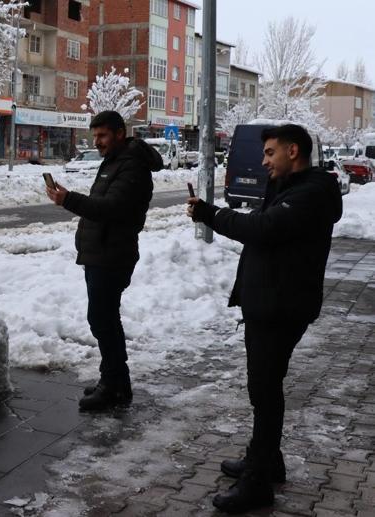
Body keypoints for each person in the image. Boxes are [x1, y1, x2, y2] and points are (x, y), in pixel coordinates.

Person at [186, 124, 341, 513]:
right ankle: (267, 461)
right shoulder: (289, 187)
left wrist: (210, 214)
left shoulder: (311, 193)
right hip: (269, 303)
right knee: (264, 389)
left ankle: (257, 483)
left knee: (266, 391)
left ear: (293, 151)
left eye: (270, 153)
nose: (263, 161)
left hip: (281, 307)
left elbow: (263, 229)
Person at [45, 111, 163, 411]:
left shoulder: (131, 166)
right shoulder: (115, 162)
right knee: (103, 319)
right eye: (94, 136)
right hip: (101, 252)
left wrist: (68, 199)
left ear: (120, 133)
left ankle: (115, 386)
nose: (96, 142)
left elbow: (112, 208)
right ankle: (113, 380)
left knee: (103, 319)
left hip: (113, 255)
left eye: (102, 136)